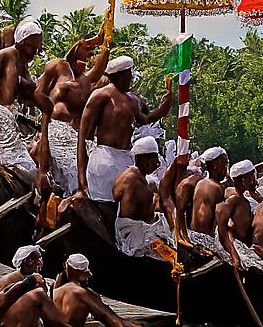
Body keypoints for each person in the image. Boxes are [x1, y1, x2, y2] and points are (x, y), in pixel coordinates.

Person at [77, 56, 171, 203]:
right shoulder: (101, 95)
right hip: (104, 159)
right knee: (104, 205)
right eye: (128, 75)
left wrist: (164, 107)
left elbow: (145, 120)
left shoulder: (131, 101)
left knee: (127, 206)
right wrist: (81, 183)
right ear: (118, 75)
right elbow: (83, 138)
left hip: (125, 160)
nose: (131, 78)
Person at [0, 19, 54, 186]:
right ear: (21, 43)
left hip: (10, 119)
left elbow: (33, 95)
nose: (36, 52)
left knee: (37, 172)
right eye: (33, 48)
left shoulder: (23, 63)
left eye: (37, 48)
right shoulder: (5, 55)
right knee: (25, 172)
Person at [35, 33, 106, 197]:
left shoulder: (87, 80)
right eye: (88, 47)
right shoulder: (57, 67)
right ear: (76, 46)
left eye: (93, 50)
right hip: (53, 134)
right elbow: (38, 95)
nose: (91, 53)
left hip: (77, 142)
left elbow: (101, 65)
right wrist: (42, 131)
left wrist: (106, 40)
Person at [113, 136, 167, 256]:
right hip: (130, 234)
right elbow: (148, 219)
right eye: (153, 159)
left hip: (123, 226)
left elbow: (116, 197)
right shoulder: (137, 182)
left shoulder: (126, 174)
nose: (155, 163)